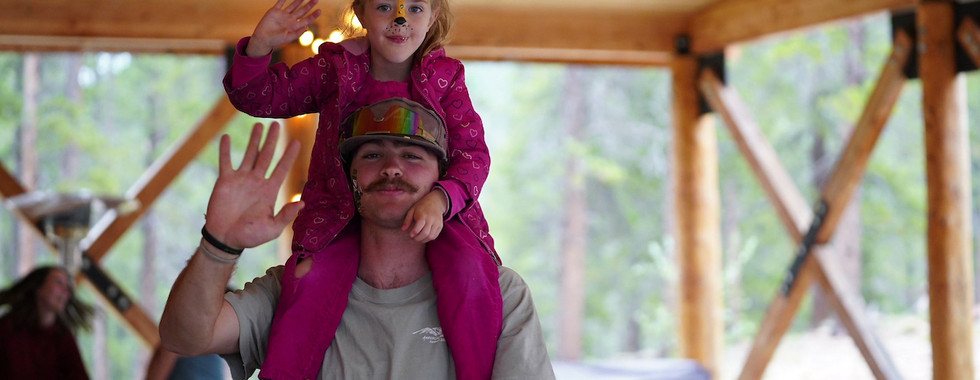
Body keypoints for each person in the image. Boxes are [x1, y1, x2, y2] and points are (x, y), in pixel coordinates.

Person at [223, 0, 500, 378]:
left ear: (434, 15)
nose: (400, 19)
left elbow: (473, 153)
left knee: (471, 271)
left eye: (415, 8)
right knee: (309, 280)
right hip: (340, 211)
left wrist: (442, 199)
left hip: (432, 212)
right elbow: (257, 96)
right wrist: (260, 46)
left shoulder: (446, 77)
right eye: (385, 6)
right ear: (361, 12)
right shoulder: (334, 69)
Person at [159, 119, 554, 379]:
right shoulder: (294, 288)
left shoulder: (501, 294)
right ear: (349, 181)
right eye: (372, 155)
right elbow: (186, 337)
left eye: (413, 155)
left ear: (441, 180)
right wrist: (219, 243)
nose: (391, 168)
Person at [0, 265, 93, 379]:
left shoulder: (63, 337)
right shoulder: (7, 328)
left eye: (67, 286)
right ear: (39, 288)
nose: (66, 291)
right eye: (59, 282)